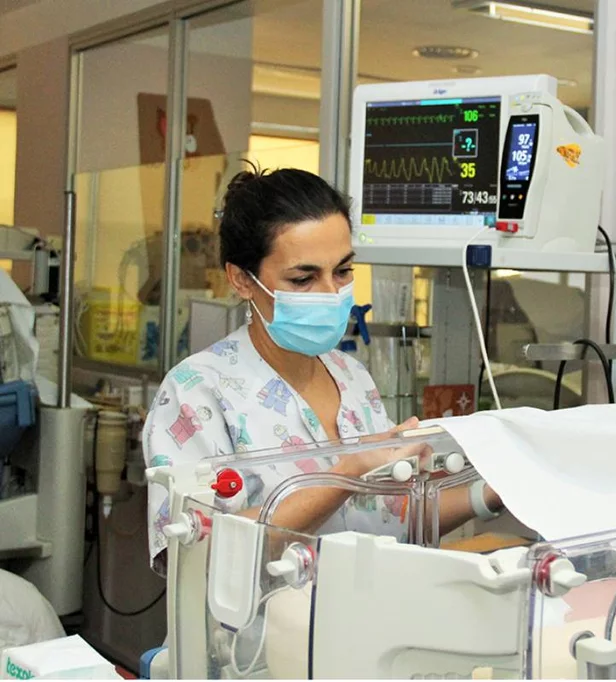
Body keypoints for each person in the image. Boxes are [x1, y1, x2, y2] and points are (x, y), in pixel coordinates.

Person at [143, 166, 503, 575]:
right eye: (303, 278)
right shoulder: (197, 393)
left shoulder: (352, 378)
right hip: (253, 635)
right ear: (242, 280)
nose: (332, 294)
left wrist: (496, 491)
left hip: (358, 624)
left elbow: (390, 520)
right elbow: (191, 557)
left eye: (343, 271)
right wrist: (346, 473)